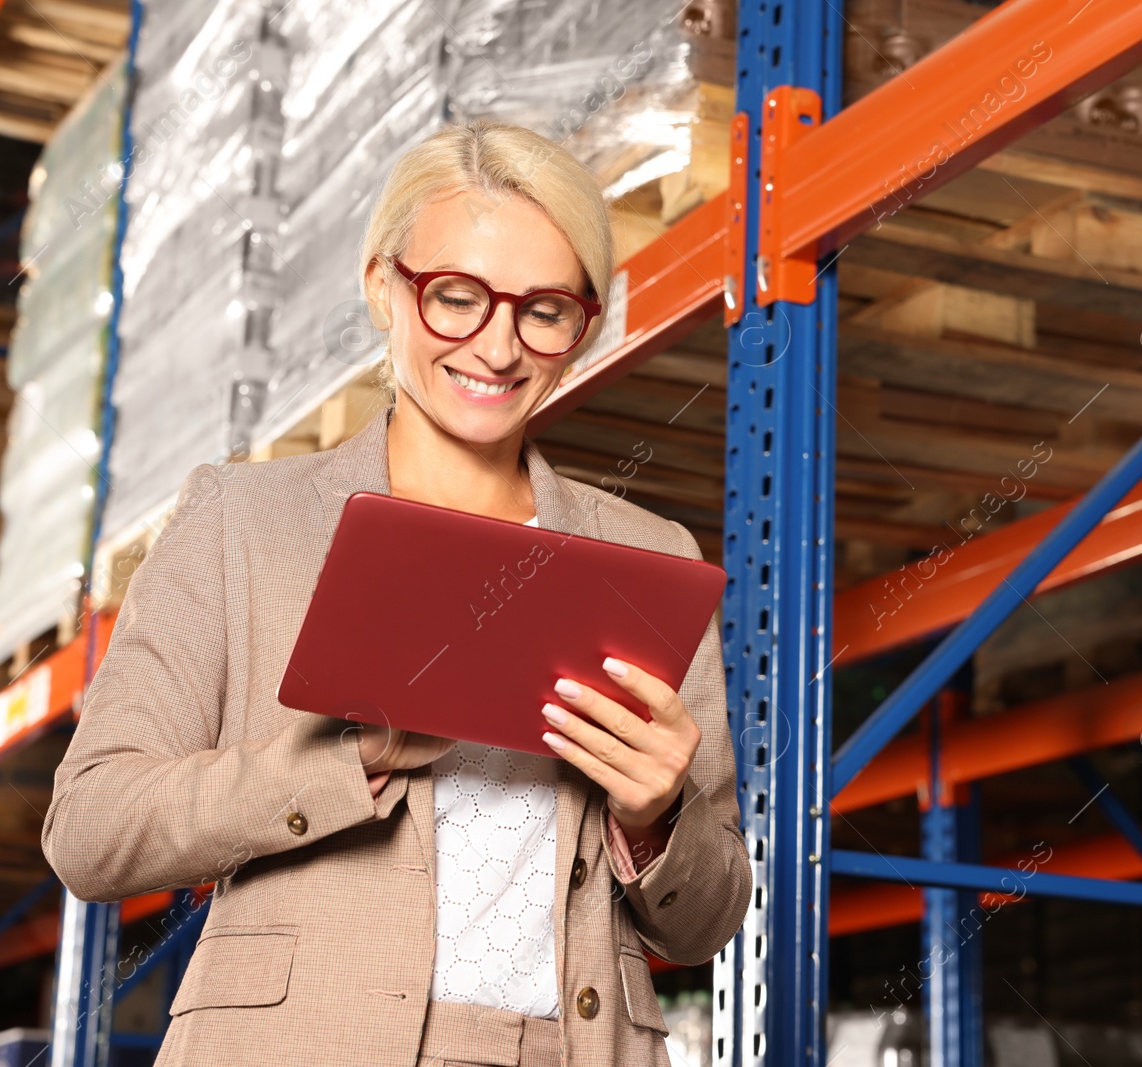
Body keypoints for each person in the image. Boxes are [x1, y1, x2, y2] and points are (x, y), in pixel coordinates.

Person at [41, 117, 752, 1067]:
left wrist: (657, 818)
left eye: (544, 311)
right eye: (457, 297)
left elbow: (706, 922)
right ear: (385, 286)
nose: (498, 348)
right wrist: (349, 764)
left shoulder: (645, 556)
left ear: (585, 320)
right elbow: (90, 828)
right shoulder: (245, 522)